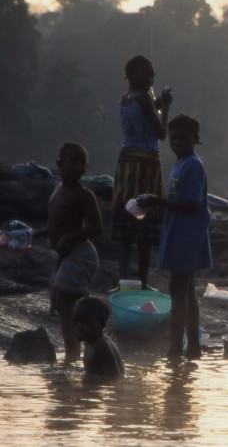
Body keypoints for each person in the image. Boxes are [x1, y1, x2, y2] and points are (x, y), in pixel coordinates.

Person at [137, 114, 211, 362]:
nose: (177, 142)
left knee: (178, 290)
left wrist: (157, 201)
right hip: (180, 234)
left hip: (187, 237)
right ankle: (191, 348)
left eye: (183, 137)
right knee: (186, 290)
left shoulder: (192, 165)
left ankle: (175, 348)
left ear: (195, 139)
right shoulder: (180, 164)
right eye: (174, 137)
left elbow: (190, 205)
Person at [37, 142, 103, 363]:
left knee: (69, 307)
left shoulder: (84, 195)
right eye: (72, 162)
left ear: (86, 167)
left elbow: (96, 227)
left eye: (81, 164)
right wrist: (33, 234)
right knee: (66, 307)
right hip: (67, 254)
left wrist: (68, 238)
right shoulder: (58, 190)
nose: (76, 167)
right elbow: (55, 226)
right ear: (59, 164)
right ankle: (72, 356)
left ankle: (73, 357)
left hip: (81, 253)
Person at [112, 55, 173, 291]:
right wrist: (165, 108)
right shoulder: (145, 97)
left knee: (127, 223)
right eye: (146, 74)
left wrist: (157, 104)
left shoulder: (124, 99)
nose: (150, 79)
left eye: (153, 76)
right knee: (144, 226)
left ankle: (123, 279)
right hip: (146, 164)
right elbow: (160, 132)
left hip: (126, 162)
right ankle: (144, 282)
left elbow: (144, 113)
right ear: (132, 73)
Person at [73, 296, 124, 379]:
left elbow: (115, 380)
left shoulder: (101, 347)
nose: (79, 327)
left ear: (101, 325)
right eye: (76, 322)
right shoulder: (90, 343)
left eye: (86, 323)